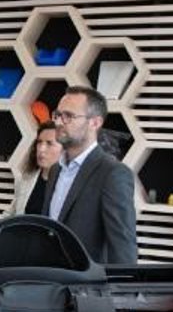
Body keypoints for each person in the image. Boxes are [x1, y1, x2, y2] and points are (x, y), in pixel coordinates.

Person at [41, 86, 137, 265]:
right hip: (51, 276)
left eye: (68, 116)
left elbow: (123, 248)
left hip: (87, 280)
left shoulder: (113, 173)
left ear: (95, 123)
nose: (59, 122)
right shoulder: (55, 170)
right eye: (58, 115)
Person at [7, 120, 62, 216]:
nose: (41, 149)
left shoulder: (70, 182)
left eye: (49, 143)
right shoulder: (26, 178)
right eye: (39, 142)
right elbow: (11, 214)